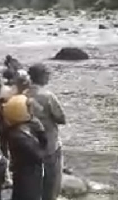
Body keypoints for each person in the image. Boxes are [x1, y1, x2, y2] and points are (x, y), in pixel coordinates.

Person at [26, 64, 66, 200]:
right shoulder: (47, 96)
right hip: (50, 141)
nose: (49, 76)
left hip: (29, 141)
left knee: (34, 177)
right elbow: (61, 118)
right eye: (47, 73)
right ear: (42, 75)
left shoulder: (23, 93)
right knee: (52, 178)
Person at [3, 94, 46, 200]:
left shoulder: (21, 132)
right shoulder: (18, 137)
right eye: (28, 108)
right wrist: (41, 132)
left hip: (31, 176)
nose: (31, 111)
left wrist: (40, 131)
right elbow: (39, 155)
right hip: (26, 178)